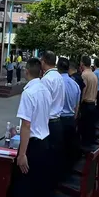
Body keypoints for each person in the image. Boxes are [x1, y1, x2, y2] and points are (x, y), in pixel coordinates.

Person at [13, 58, 52, 197]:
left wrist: (22, 154)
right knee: (36, 186)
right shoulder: (45, 90)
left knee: (25, 190)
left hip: (33, 146)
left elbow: (26, 125)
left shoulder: (29, 93)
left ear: (27, 71)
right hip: (45, 142)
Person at [40, 51, 64, 186]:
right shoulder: (59, 77)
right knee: (54, 156)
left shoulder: (46, 80)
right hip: (57, 121)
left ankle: (45, 187)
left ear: (44, 61)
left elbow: (42, 104)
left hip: (48, 122)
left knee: (46, 157)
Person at [58, 56, 81, 172]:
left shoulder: (56, 83)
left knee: (58, 151)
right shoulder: (75, 84)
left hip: (59, 121)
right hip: (71, 120)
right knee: (68, 149)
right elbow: (77, 107)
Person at [79, 55, 98, 146]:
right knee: (91, 129)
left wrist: (79, 106)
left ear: (82, 63)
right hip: (93, 104)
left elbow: (83, 91)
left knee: (85, 130)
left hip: (86, 104)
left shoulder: (84, 75)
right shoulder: (94, 75)